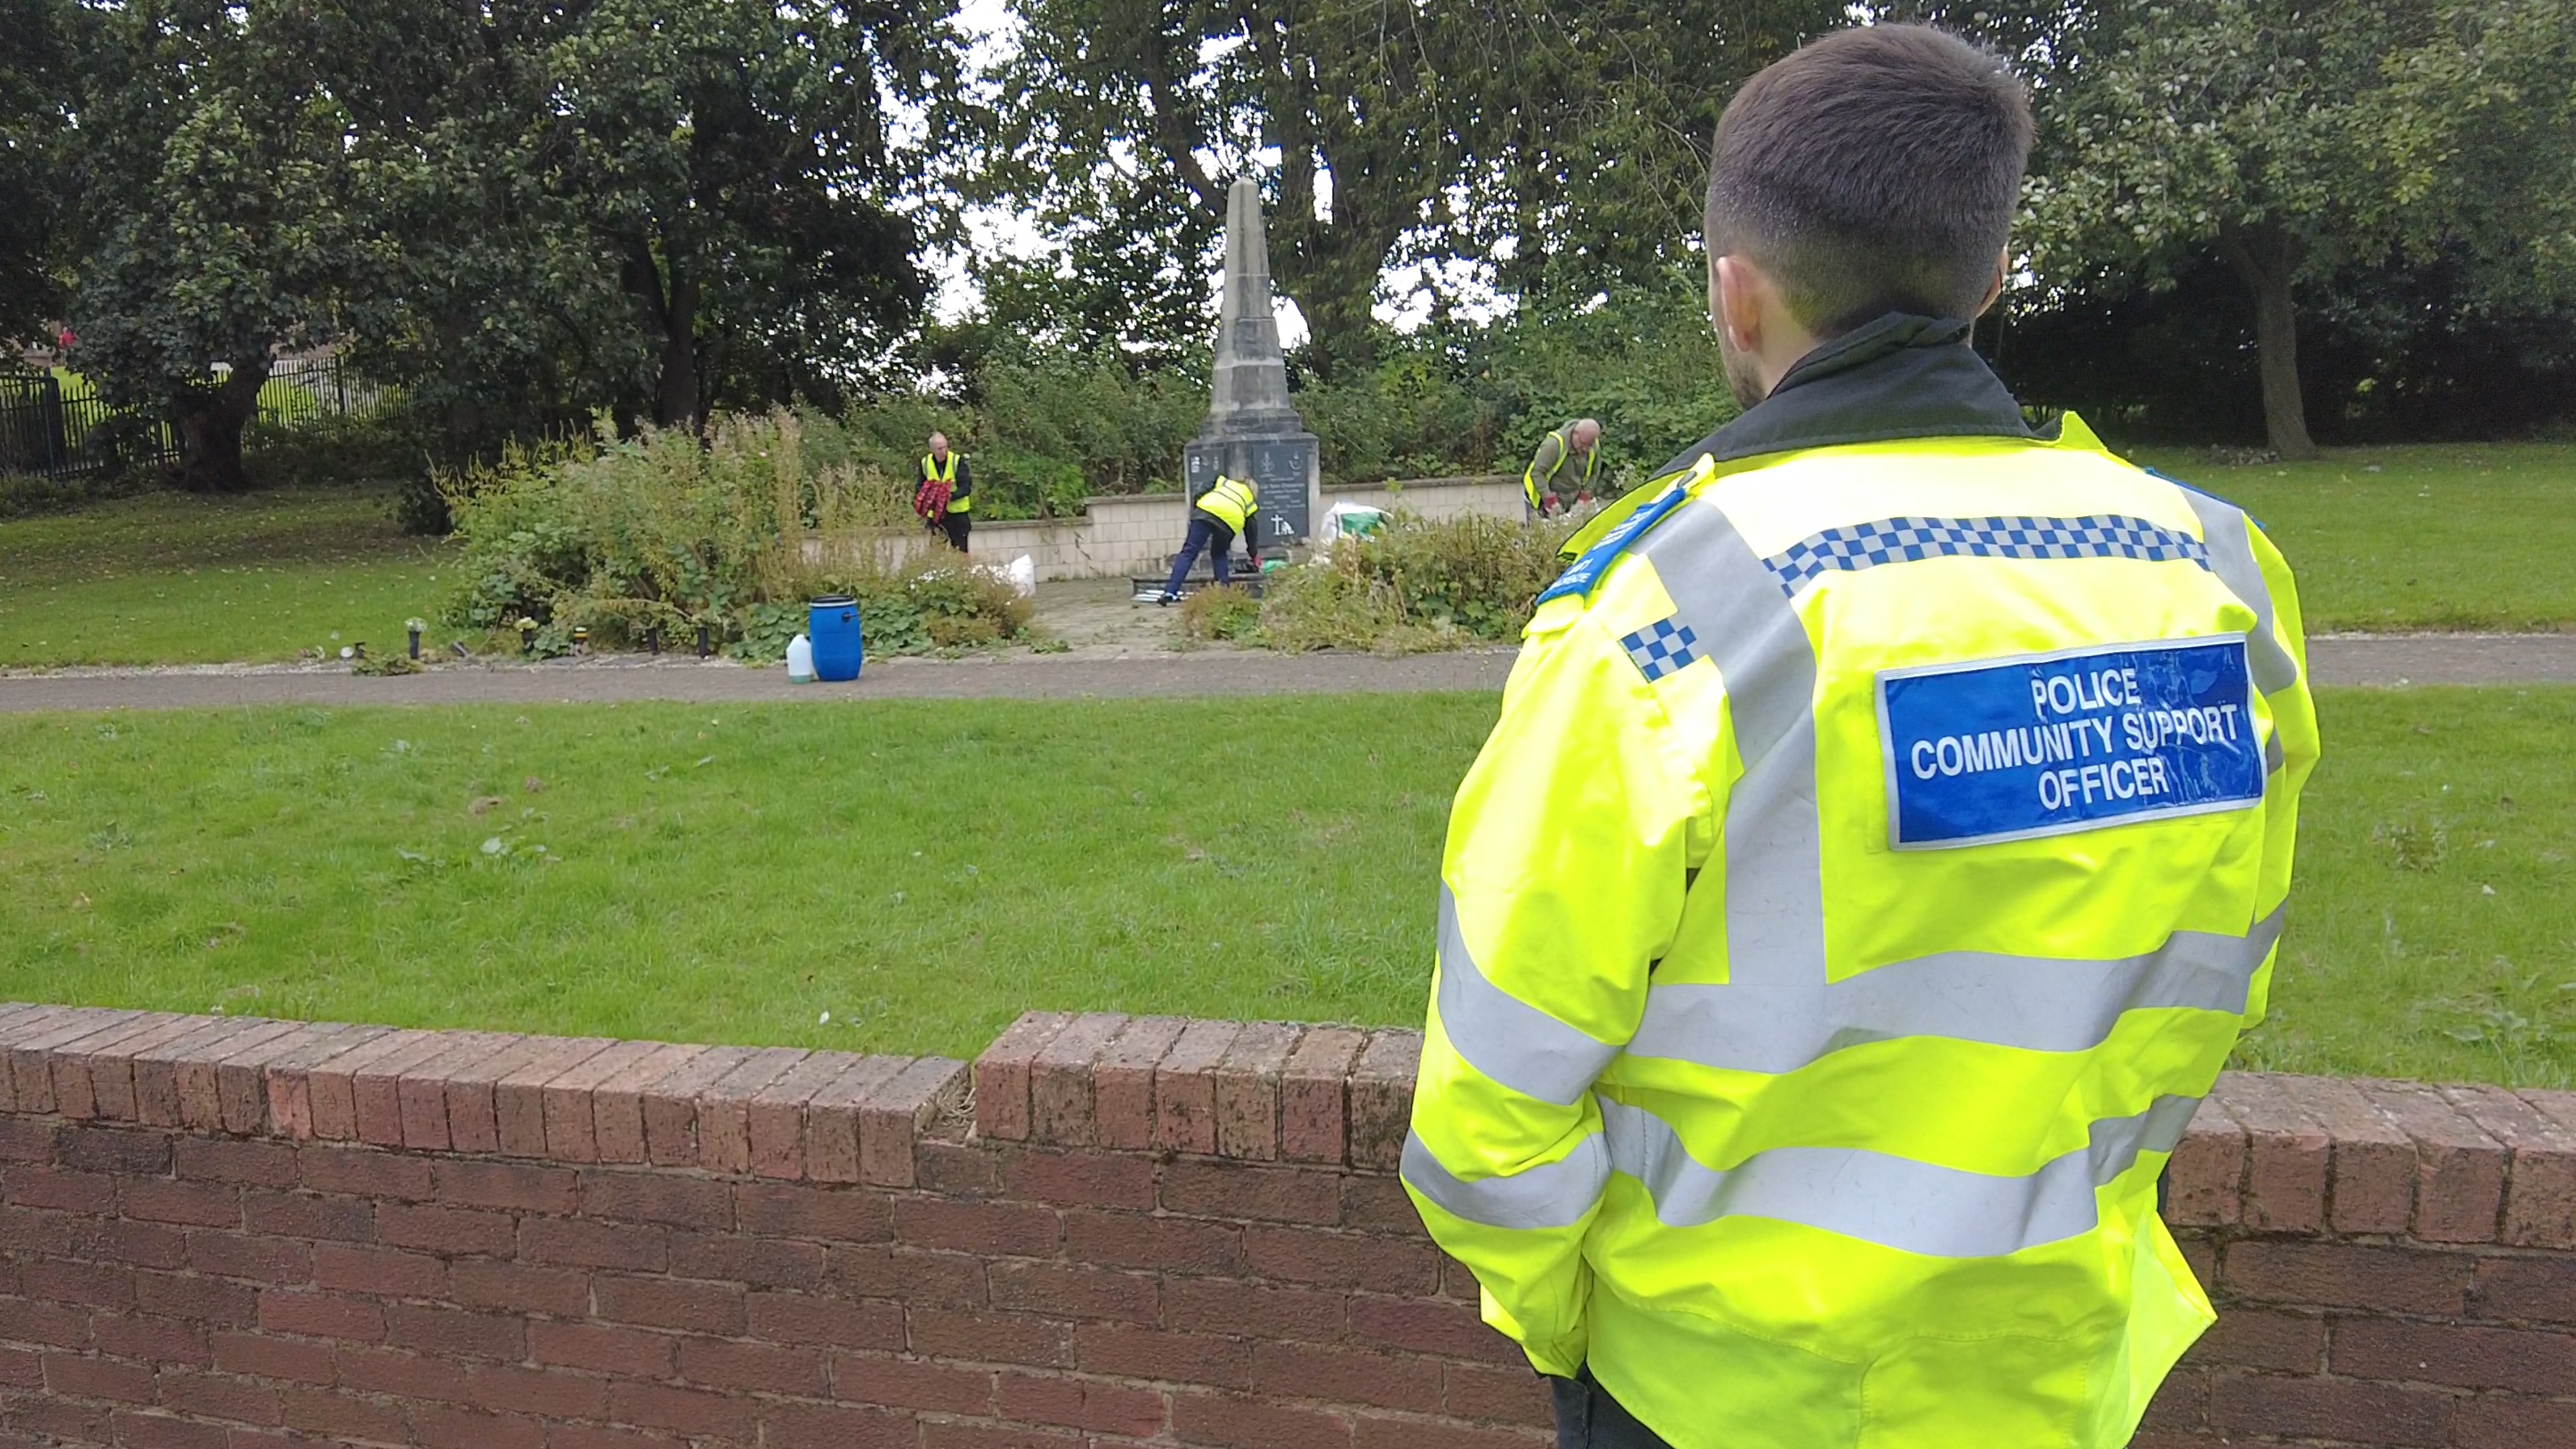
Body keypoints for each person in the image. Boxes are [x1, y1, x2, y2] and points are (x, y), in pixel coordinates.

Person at [1402, 25, 2320, 1449]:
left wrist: (1588, 1340)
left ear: (1737, 295)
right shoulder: (2215, 574)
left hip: (1719, 1393)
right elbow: (2217, 969)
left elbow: (1487, 1117)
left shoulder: (1669, 613)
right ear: (1992, 276)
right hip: (2057, 1372)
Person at [1157, 471, 1258, 604]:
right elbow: (1251, 531)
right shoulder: (1250, 501)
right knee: (1219, 554)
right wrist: (1253, 554)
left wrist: (1196, 511)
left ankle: (1170, 592)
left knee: (1188, 552)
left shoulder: (1223, 482)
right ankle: (1224, 594)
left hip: (1205, 512)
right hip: (1229, 523)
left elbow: (1199, 493)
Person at [1522, 417, 1601, 517]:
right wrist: (1550, 501)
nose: (1585, 449)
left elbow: (1594, 473)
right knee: (1544, 531)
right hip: (1541, 496)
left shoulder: (1592, 445)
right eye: (1583, 444)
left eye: (1589, 445)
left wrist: (1584, 497)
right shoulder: (1554, 445)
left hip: (1570, 497)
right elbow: (1537, 473)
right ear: (1575, 434)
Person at [916, 433, 971, 553]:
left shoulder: (957, 461)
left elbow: (966, 487)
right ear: (932, 450)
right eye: (940, 448)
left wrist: (948, 497)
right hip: (936, 516)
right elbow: (920, 486)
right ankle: (937, 571)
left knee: (960, 551)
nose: (944, 451)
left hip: (957, 513)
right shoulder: (925, 463)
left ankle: (962, 570)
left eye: (945, 447)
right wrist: (927, 499)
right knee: (936, 550)